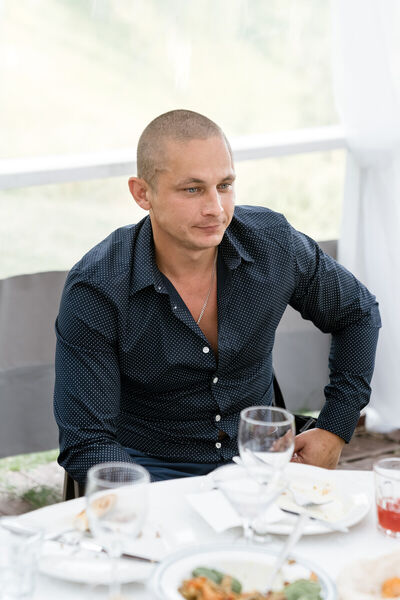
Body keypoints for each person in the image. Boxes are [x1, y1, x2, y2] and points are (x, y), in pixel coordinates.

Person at [54, 109, 381, 485]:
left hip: (263, 455)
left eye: (224, 185)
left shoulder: (272, 243)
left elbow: (357, 312)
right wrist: (151, 502)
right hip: (152, 469)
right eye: (192, 189)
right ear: (142, 193)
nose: (215, 209)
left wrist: (335, 428)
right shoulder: (97, 287)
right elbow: (87, 441)